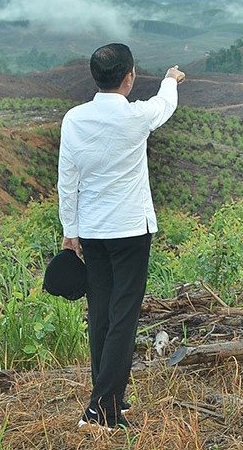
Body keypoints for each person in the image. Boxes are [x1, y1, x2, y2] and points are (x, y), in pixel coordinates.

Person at [57, 43, 185, 431]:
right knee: (123, 317)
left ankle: (107, 393)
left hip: (92, 231)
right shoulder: (135, 117)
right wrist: (170, 80)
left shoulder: (74, 119)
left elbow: (68, 180)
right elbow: (165, 106)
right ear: (129, 77)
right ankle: (104, 408)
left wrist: (70, 231)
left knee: (101, 312)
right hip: (129, 231)